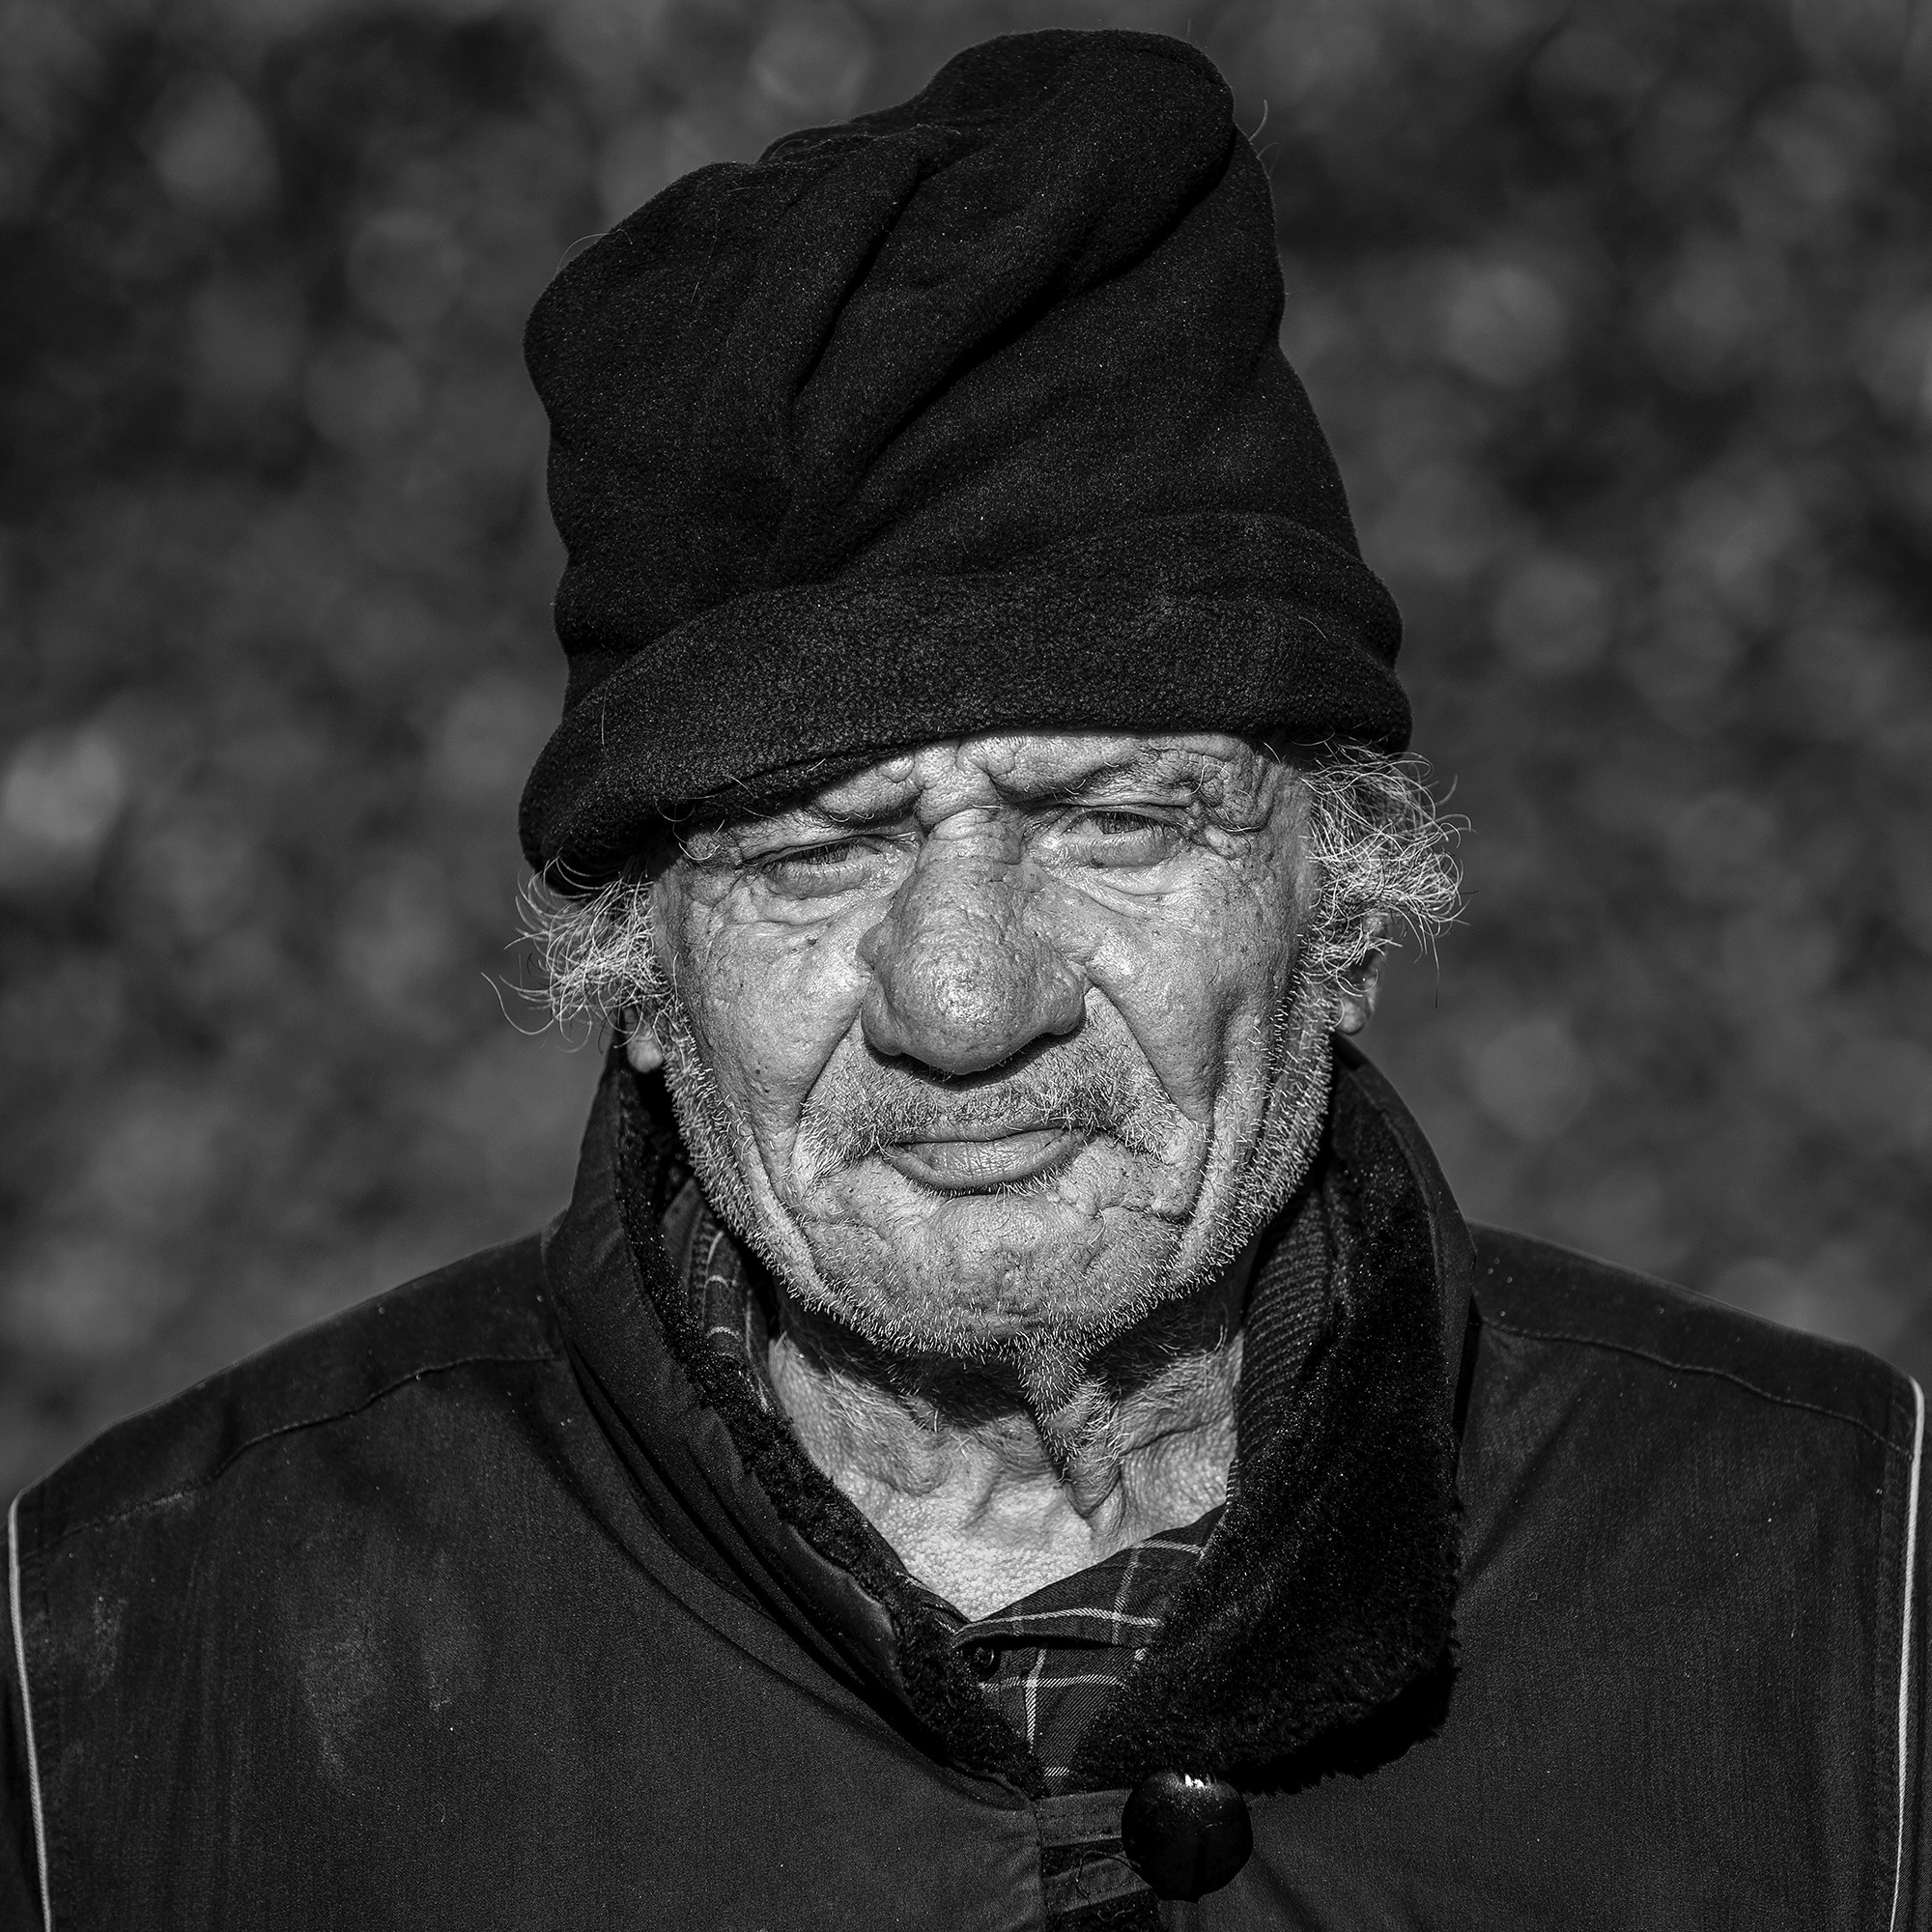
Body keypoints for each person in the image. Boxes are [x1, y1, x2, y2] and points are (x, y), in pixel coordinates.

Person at [4, 28, 1923, 1931]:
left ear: (1340, 904)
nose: (962, 1003)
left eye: (1111, 820)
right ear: (647, 976)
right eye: (815, 854)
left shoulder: (1855, 1601)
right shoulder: (140, 1659)